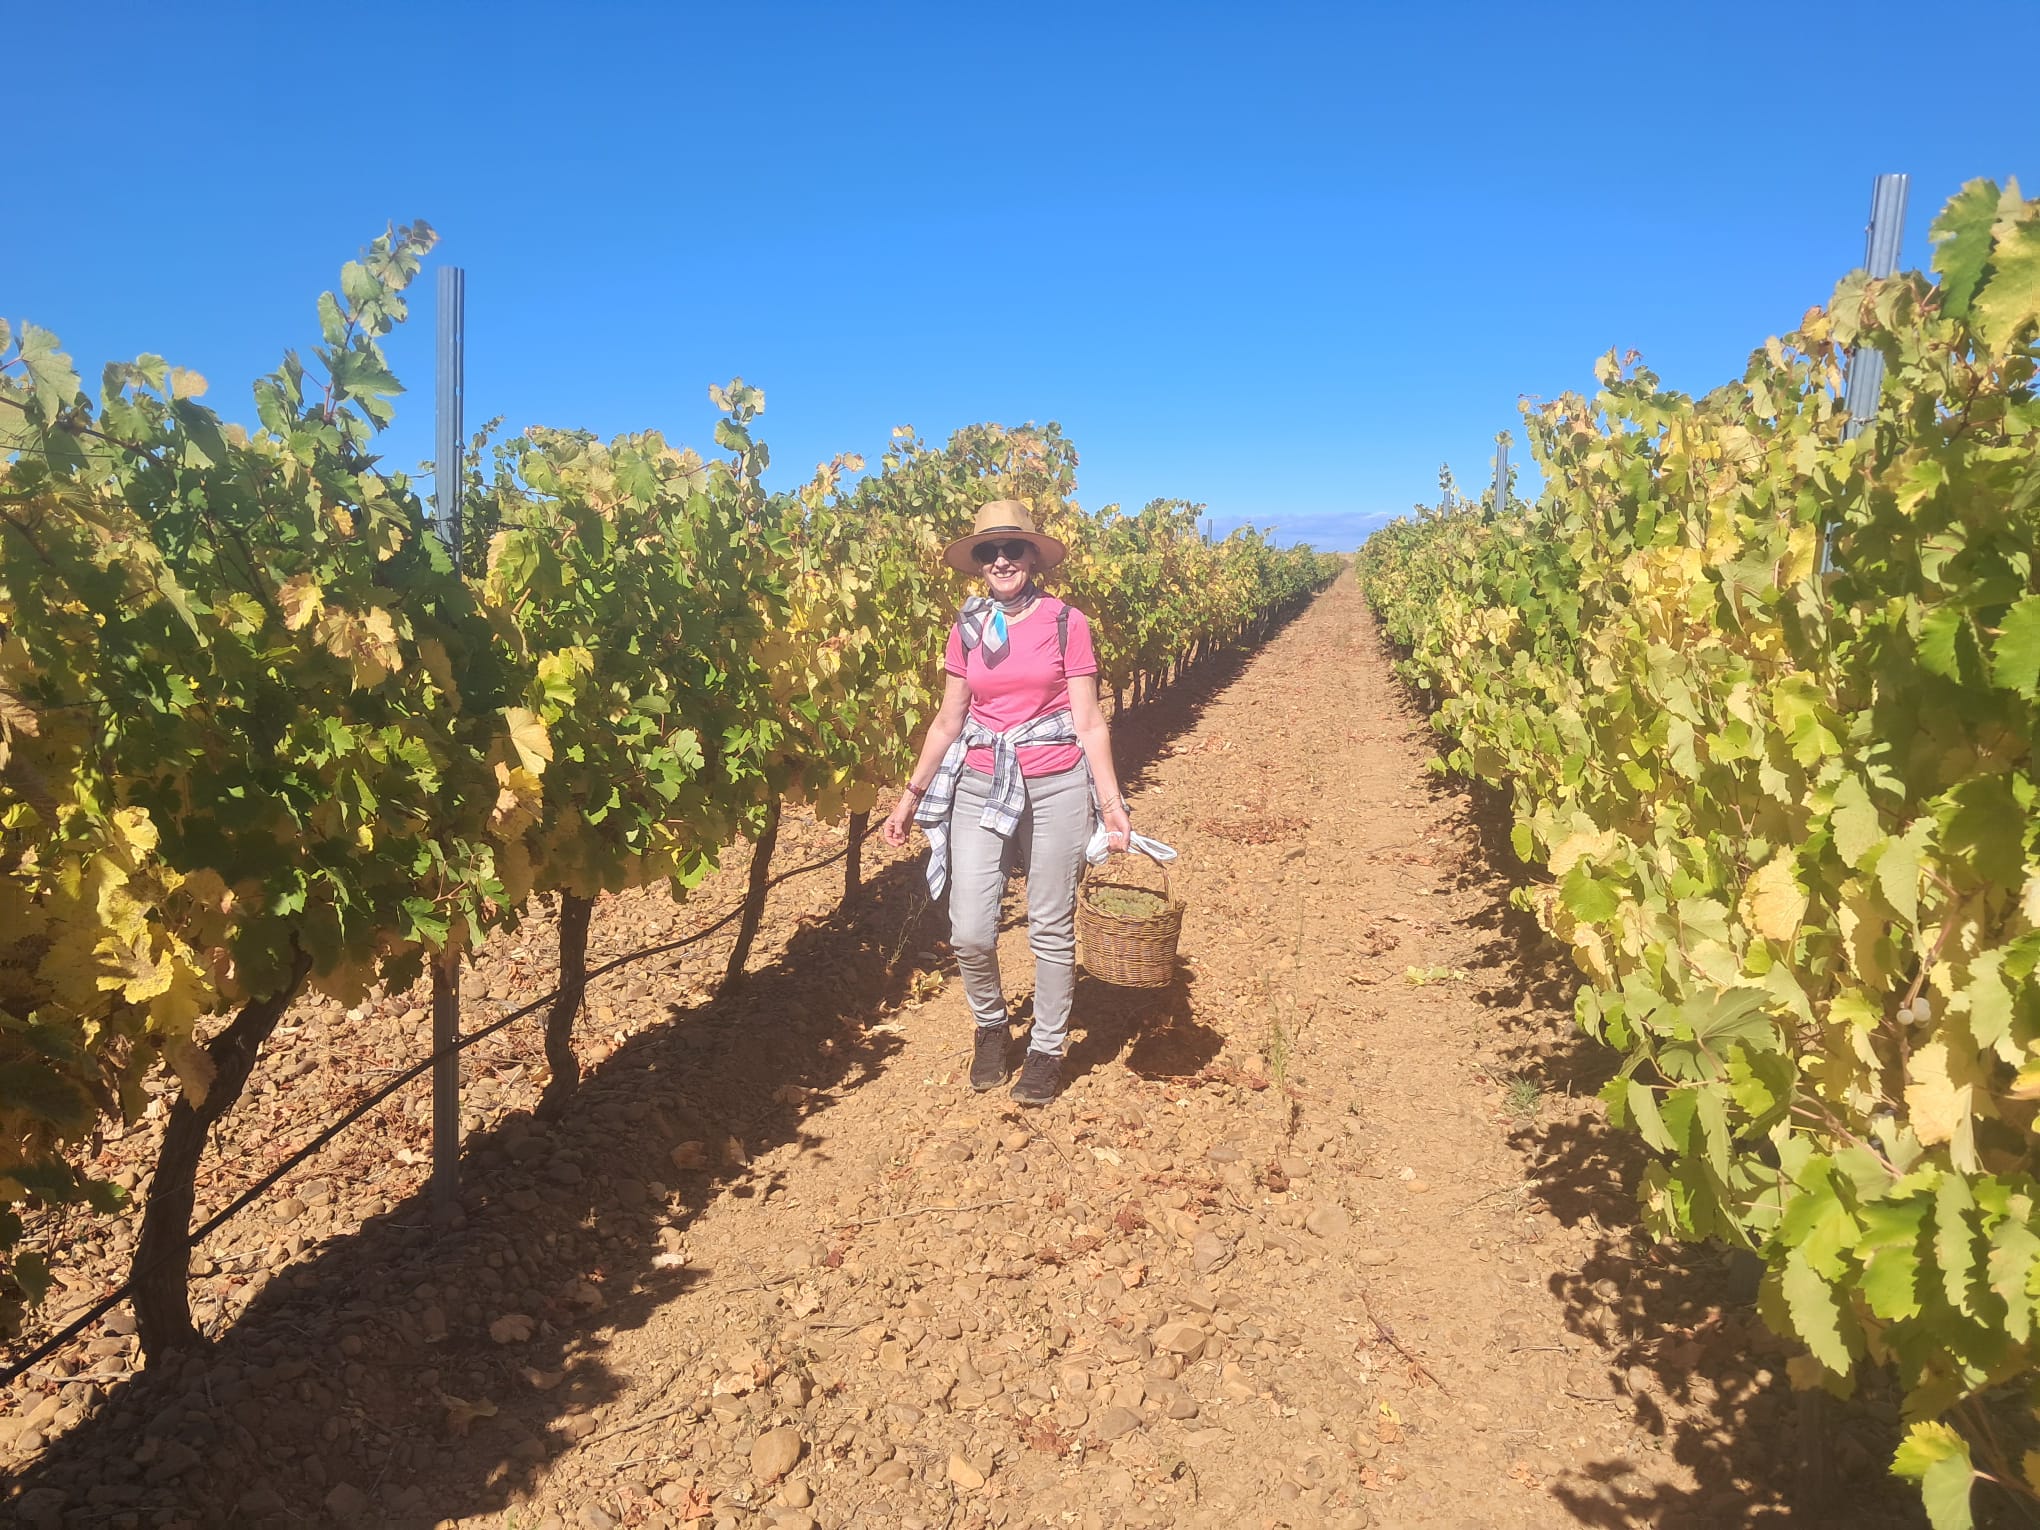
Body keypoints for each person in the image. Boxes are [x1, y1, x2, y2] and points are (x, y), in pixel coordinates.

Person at [880, 500, 1133, 1106]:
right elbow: (949, 718)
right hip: (979, 781)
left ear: (1032, 557)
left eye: (1012, 549)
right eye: (988, 552)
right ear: (977, 565)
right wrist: (910, 795)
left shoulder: (1067, 623)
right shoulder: (967, 629)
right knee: (969, 929)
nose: (1000, 560)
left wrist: (1113, 801)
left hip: (1055, 782)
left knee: (1048, 923)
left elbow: (1089, 720)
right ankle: (991, 1025)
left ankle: (1047, 1047)